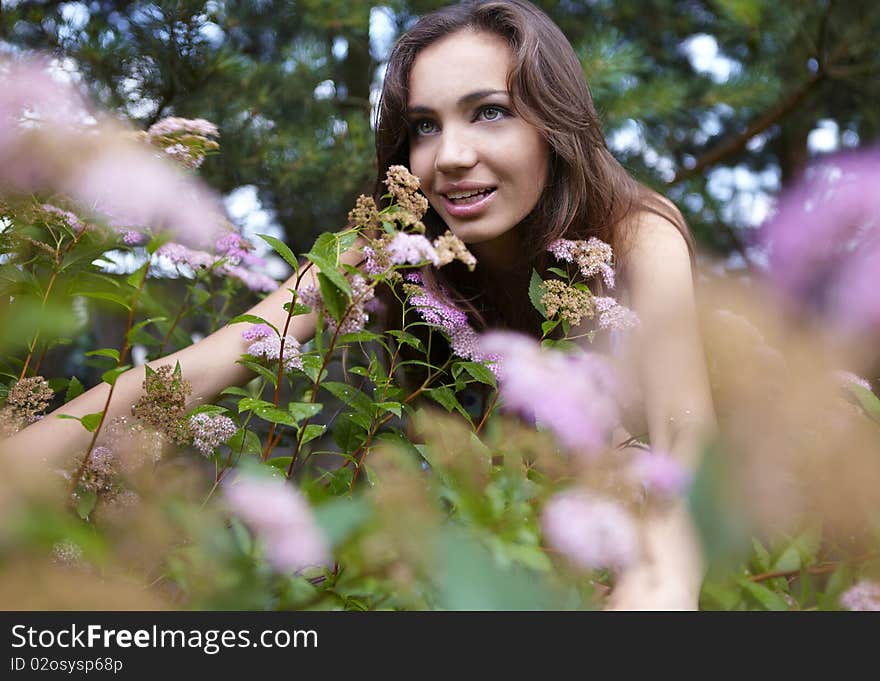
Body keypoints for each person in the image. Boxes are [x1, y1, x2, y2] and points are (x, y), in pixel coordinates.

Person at [2, 0, 715, 609]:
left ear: (554, 125)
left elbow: (688, 443)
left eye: (490, 112)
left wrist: (654, 595)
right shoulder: (386, 246)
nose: (451, 157)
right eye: (426, 126)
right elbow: (209, 362)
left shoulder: (633, 233)